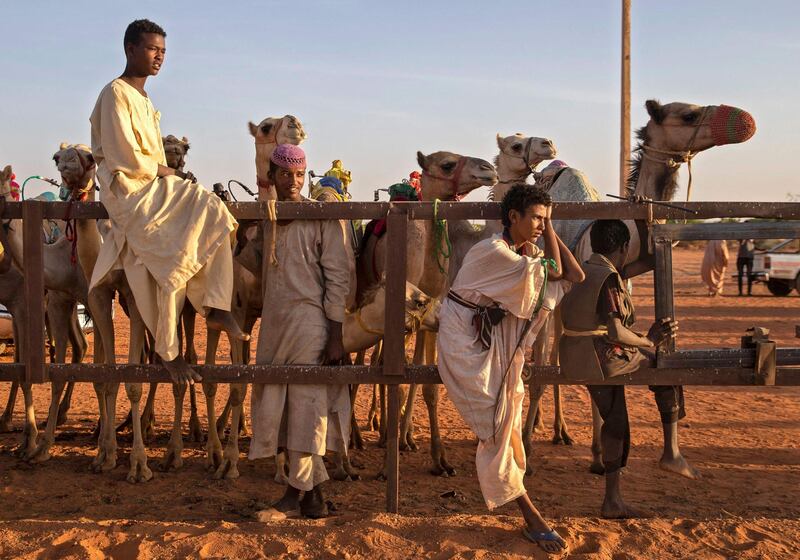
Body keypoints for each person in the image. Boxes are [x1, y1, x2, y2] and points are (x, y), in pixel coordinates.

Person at [88, 19, 248, 384]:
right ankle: (170, 350)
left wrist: (165, 175)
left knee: (212, 212)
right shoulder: (115, 94)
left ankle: (216, 304)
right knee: (180, 242)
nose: (159, 57)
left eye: (163, 50)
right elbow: (123, 155)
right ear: (130, 49)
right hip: (128, 190)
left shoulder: (144, 99)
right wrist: (167, 173)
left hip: (151, 186)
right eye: (151, 49)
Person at [437, 184, 584, 555]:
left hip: (495, 342)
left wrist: (549, 226)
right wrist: (547, 235)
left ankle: (524, 506)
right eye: (534, 217)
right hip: (465, 342)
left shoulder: (528, 254)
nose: (539, 225)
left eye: (544, 219)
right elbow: (555, 275)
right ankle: (530, 515)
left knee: (506, 422)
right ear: (513, 217)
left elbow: (574, 275)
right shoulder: (493, 251)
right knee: (498, 426)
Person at [559, 219, 698, 519]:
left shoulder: (589, 268)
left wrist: (641, 219)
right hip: (601, 356)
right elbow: (616, 332)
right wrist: (648, 339)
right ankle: (671, 452)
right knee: (665, 371)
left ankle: (613, 500)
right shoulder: (609, 278)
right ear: (623, 248)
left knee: (616, 420)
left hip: (577, 353)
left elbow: (650, 260)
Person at [249, 144, 351, 521]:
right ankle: (313, 497)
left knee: (308, 403)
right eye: (285, 174)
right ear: (272, 176)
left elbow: (338, 276)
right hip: (276, 322)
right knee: (285, 404)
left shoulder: (320, 216)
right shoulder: (268, 218)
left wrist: (336, 335)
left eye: (298, 175)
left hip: (312, 321)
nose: (292, 181)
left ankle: (294, 496)